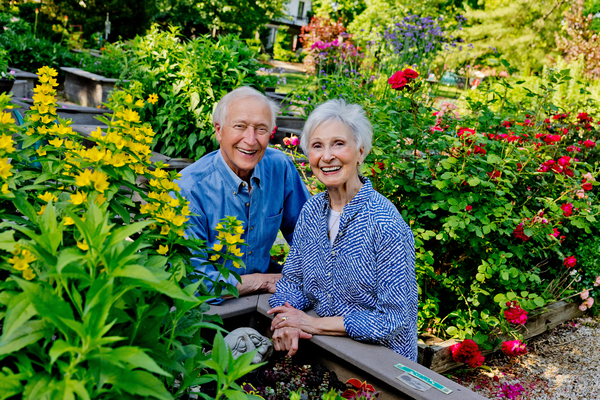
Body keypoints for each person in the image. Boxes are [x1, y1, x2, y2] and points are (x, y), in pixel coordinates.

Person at [267, 99, 418, 361]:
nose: (327, 156)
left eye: (338, 143)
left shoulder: (385, 224)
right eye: (317, 146)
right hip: (324, 352)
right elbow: (292, 281)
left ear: (360, 152)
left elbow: (394, 319)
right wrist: (287, 319)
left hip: (380, 364)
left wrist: (313, 324)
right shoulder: (311, 211)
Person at [177, 86, 311, 297]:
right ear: (219, 130)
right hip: (207, 309)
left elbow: (309, 235)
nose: (250, 140)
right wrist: (263, 281)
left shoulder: (280, 167)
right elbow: (195, 280)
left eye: (261, 129)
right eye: (240, 126)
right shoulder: (188, 189)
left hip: (262, 300)